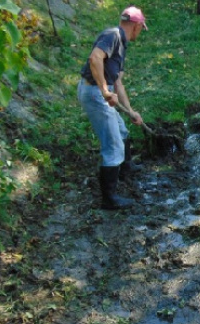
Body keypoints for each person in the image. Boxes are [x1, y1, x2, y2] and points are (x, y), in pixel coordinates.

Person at [77, 6, 147, 210]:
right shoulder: (113, 35)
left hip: (103, 91)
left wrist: (131, 110)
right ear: (135, 26)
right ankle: (109, 199)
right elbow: (95, 58)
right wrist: (104, 91)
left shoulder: (121, 45)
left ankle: (126, 167)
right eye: (141, 28)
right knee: (113, 146)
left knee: (122, 130)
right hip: (94, 93)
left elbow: (118, 84)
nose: (140, 32)